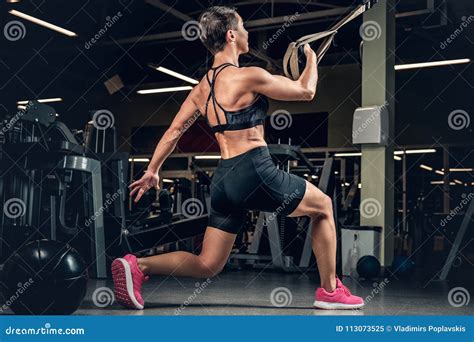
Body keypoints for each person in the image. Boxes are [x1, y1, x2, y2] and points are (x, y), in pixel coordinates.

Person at [112, 5, 364, 310]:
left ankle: (137, 266)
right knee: (323, 206)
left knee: (208, 264)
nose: (246, 33)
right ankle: (330, 291)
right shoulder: (248, 76)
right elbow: (305, 91)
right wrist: (312, 59)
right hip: (254, 169)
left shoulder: (200, 89)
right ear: (231, 35)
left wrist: (153, 169)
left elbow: (174, 130)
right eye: (243, 27)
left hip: (224, 180)